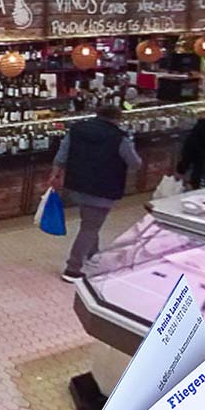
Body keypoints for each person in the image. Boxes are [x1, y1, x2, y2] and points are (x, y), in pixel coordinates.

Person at [49, 104, 141, 283]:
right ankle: (72, 269)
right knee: (90, 227)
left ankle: (93, 255)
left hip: (77, 184)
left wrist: (56, 173)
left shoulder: (77, 129)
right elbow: (135, 162)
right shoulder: (119, 137)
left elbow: (62, 154)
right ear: (118, 118)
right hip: (103, 187)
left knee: (89, 221)